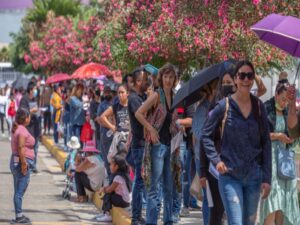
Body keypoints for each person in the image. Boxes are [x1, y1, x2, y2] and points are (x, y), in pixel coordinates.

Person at [201, 60, 272, 225]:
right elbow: (205, 135)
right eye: (242, 75)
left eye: (250, 75)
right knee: (236, 222)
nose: (246, 79)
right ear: (235, 79)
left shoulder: (259, 107)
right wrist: (216, 160)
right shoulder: (223, 106)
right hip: (230, 177)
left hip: (254, 177)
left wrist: (267, 178)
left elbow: (266, 143)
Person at [135, 63, 179, 225]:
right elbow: (139, 113)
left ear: (175, 79)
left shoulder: (175, 96)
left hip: (171, 146)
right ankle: (151, 222)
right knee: (154, 188)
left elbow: (171, 120)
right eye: (166, 76)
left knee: (169, 187)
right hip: (157, 146)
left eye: (171, 77)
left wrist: (178, 126)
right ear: (161, 78)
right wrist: (151, 130)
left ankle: (168, 221)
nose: (168, 80)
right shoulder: (156, 95)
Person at [260, 83, 300, 225]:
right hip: (271, 159)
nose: (284, 102)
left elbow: (294, 137)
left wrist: (291, 138)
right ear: (276, 95)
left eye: (287, 100)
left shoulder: (288, 112)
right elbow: (259, 135)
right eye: (282, 99)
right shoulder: (265, 109)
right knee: (272, 199)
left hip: (285, 161)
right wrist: (277, 136)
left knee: (283, 200)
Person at [127, 67, 149, 225]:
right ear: (136, 82)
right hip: (139, 144)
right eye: (143, 80)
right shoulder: (134, 98)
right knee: (139, 182)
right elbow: (141, 115)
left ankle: (138, 214)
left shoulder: (141, 96)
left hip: (143, 144)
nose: (146, 82)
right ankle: (135, 216)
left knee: (141, 182)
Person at [10, 108, 35, 224]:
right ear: (26, 118)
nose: (30, 118)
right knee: (20, 191)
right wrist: (24, 163)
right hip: (20, 162)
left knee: (18, 191)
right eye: (29, 116)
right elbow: (20, 147)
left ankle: (18, 215)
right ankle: (19, 217)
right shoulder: (22, 130)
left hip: (16, 161)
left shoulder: (17, 129)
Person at [96, 154, 132, 222]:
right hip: (126, 201)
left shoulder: (118, 177)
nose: (109, 166)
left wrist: (103, 189)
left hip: (124, 201)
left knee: (108, 194)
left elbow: (109, 190)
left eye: (111, 164)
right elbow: (111, 187)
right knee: (108, 193)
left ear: (116, 167)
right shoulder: (122, 175)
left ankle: (107, 215)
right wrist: (104, 188)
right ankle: (104, 213)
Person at [19, 82, 41, 173]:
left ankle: (33, 165)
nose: (35, 91)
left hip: (36, 126)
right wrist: (31, 110)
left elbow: (37, 109)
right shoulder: (24, 99)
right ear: (30, 90)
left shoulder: (35, 98)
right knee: (28, 147)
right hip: (28, 127)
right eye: (34, 89)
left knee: (36, 147)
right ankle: (26, 164)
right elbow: (22, 112)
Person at [96, 85, 114, 175]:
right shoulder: (102, 105)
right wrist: (110, 126)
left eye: (109, 91)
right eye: (106, 92)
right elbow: (99, 119)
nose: (107, 93)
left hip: (116, 135)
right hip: (105, 135)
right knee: (107, 157)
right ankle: (110, 176)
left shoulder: (115, 103)